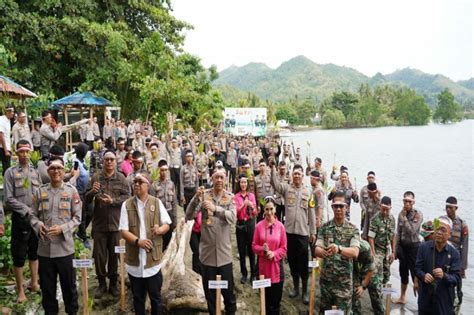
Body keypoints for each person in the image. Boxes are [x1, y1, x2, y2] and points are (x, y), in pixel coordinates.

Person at [29, 157, 82, 315]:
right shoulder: (40, 191)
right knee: (47, 292)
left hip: (65, 251)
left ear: (64, 170)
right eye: (53, 168)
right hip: (44, 252)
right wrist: (38, 225)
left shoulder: (71, 191)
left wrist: (63, 228)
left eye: (59, 168)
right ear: (48, 171)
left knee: (69, 290)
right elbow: (32, 214)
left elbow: (78, 217)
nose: (56, 171)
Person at [185, 168, 237, 315]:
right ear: (212, 179)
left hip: (224, 256)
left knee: (229, 295)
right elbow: (189, 215)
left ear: (225, 179)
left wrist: (216, 209)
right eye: (216, 177)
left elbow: (233, 218)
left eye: (222, 177)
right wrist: (195, 198)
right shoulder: (204, 195)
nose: (219, 180)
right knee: (211, 296)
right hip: (207, 257)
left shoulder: (230, 197)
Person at [119, 172, 171, 315]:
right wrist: (138, 242)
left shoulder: (156, 202)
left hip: (152, 263)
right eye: (135, 181)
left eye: (140, 182)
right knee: (138, 298)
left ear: (147, 185)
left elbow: (167, 224)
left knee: (155, 298)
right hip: (134, 263)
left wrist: (159, 230)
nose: (136, 184)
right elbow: (123, 230)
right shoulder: (126, 205)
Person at [85, 150, 131, 298]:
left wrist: (113, 201)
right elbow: (86, 199)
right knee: (99, 256)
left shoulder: (122, 178)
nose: (109, 162)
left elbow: (127, 197)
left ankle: (113, 283)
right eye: (107, 160)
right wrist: (92, 191)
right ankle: (101, 284)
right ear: (103, 162)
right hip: (99, 225)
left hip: (116, 225)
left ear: (115, 161)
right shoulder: (96, 178)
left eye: (112, 159)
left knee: (114, 255)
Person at [270, 162, 316, 304]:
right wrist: (273, 168)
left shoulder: (308, 192)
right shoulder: (286, 189)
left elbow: (311, 213)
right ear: (292, 175)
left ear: (303, 176)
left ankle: (305, 292)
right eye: (295, 173)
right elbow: (275, 184)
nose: (297, 176)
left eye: (299, 174)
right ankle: (295, 288)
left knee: (303, 264)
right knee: (292, 262)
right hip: (289, 233)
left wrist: (313, 232)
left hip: (302, 233)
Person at [4, 140, 41, 302]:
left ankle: (34, 283)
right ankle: (20, 291)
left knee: (34, 251)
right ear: (16, 153)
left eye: (27, 151)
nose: (25, 155)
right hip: (21, 219)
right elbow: (8, 199)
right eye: (21, 151)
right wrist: (26, 210)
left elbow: (39, 194)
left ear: (30, 152)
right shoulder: (10, 173)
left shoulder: (35, 172)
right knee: (19, 255)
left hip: (35, 219)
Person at [315, 191, 360, 313]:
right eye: (336, 206)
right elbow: (317, 248)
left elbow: (355, 252)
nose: (338, 209)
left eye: (341, 206)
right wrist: (322, 252)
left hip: (344, 285)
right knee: (325, 311)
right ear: (332, 207)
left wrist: (339, 249)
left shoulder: (353, 229)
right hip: (326, 283)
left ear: (347, 207)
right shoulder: (325, 228)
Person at [415, 216, 461, 315]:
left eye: (443, 230)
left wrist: (444, 275)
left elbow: (456, 279)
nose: (439, 232)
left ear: (450, 234)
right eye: (437, 229)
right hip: (425, 300)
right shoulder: (423, 247)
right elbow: (417, 269)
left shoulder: (454, 253)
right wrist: (423, 276)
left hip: (444, 302)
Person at [252, 197, 287, 315]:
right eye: (266, 209)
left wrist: (274, 253)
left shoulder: (281, 227)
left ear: (275, 209)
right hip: (262, 269)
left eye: (271, 209)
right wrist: (263, 249)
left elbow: (283, 248)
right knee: (264, 302)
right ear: (263, 210)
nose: (269, 212)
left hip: (276, 269)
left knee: (275, 303)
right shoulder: (258, 226)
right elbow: (254, 246)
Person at [394, 191, 423, 304]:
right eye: (405, 201)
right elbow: (398, 232)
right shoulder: (401, 214)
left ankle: (422, 300)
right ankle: (402, 297)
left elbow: (412, 231)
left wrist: (405, 218)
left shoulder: (417, 214)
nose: (407, 203)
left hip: (414, 247)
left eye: (409, 201)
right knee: (403, 272)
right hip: (403, 246)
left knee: (415, 274)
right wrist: (395, 250)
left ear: (413, 202)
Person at [444, 196, 468, 312]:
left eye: (451, 208)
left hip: (456, 261)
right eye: (447, 207)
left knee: (457, 288)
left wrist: (462, 267)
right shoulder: (442, 222)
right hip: (443, 258)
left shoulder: (462, 225)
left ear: (456, 208)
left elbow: (465, 247)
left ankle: (456, 311)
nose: (448, 210)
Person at [234, 174, 257, 284]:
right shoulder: (236, 196)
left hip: (250, 223)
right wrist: (243, 205)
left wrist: (252, 206)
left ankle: (253, 274)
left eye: (245, 182)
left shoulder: (251, 195)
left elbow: (255, 212)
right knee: (241, 250)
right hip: (240, 224)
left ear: (247, 184)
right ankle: (244, 273)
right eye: (242, 182)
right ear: (239, 184)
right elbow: (236, 212)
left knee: (252, 250)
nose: (243, 184)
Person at [368, 196, 396, 285]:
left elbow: (393, 236)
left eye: (386, 210)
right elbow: (371, 238)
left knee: (387, 273)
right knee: (377, 272)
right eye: (383, 209)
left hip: (387, 249)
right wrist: (373, 254)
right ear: (380, 206)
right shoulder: (375, 219)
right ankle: (377, 291)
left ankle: (384, 292)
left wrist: (393, 252)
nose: (384, 212)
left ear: (390, 208)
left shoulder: (392, 219)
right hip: (377, 249)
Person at [352, 239, 384, 315]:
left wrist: (363, 287)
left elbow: (371, 268)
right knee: (355, 294)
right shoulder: (344, 246)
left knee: (375, 296)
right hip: (357, 270)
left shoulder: (365, 247)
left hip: (371, 271)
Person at [152, 160, 177, 251]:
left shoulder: (171, 184)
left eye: (166, 170)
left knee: (169, 241)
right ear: (159, 170)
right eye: (162, 170)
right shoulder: (154, 185)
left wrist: (175, 221)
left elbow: (174, 203)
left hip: (169, 214)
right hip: (159, 216)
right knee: (159, 241)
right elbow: (152, 203)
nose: (164, 172)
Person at [74, 143, 92, 249]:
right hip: (78, 192)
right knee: (83, 215)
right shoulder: (76, 162)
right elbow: (74, 174)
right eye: (85, 151)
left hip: (86, 192)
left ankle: (82, 231)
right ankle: (83, 237)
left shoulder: (83, 162)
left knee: (90, 212)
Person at [0, 105, 15, 174]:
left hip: (6, 148)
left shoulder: (8, 120)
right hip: (2, 148)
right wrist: (6, 150)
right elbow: (1, 135)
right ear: (8, 112)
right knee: (7, 169)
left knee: (7, 168)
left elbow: (7, 137)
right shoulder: (2, 119)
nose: (13, 113)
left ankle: (6, 183)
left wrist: (10, 148)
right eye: (12, 112)